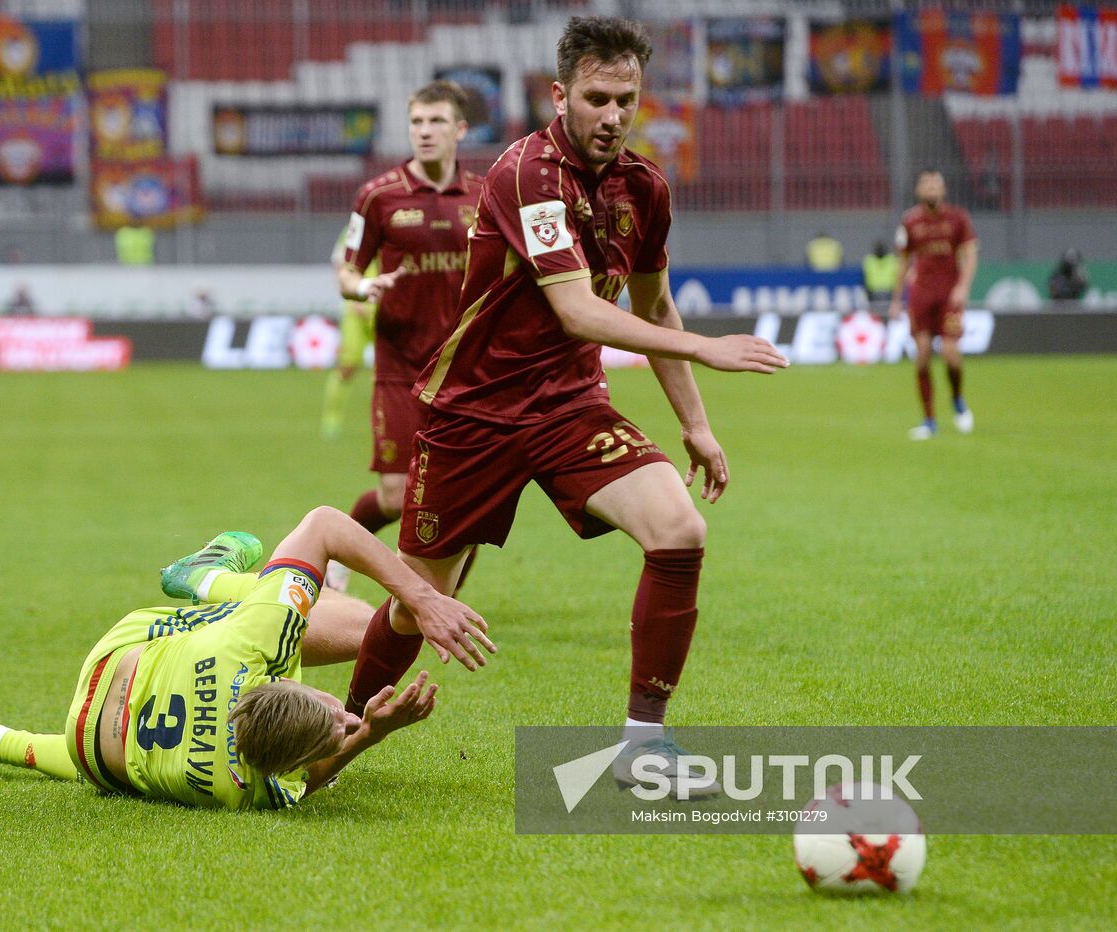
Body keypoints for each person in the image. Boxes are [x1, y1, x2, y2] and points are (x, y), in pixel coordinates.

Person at [344, 16, 787, 795]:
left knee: (680, 528)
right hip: (474, 416)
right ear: (560, 95)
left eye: (627, 100)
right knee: (418, 606)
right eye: (597, 98)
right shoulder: (525, 174)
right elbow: (579, 312)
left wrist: (697, 424)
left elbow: (654, 309)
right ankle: (340, 730)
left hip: (570, 410)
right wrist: (711, 349)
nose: (613, 116)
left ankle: (643, 746)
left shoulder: (645, 188)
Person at [0, 515, 484, 810]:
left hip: (115, 656)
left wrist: (421, 598)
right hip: (88, 750)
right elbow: (314, 778)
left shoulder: (253, 646)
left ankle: (203, 578)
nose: (344, 714)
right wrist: (369, 733)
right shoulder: (242, 789)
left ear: (283, 678)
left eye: (333, 717)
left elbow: (324, 524)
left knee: (315, 611)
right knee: (362, 624)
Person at [334, 81, 485, 579]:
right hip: (401, 367)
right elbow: (347, 270)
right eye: (417, 122)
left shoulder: (486, 196)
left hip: (466, 373)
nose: (425, 131)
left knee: (464, 494)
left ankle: (444, 601)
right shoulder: (378, 196)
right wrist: (362, 289)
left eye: (437, 121)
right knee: (396, 495)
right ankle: (336, 557)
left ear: (460, 129)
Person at [888, 168, 978, 440]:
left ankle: (958, 399)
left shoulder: (958, 218)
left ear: (943, 189)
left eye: (935, 183)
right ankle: (929, 420)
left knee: (950, 354)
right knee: (923, 356)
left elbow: (970, 255)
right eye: (926, 183)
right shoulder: (910, 221)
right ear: (918, 190)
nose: (931, 188)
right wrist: (895, 300)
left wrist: (962, 287)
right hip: (921, 296)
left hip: (949, 296)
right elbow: (903, 262)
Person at [321, 224, 378, 440]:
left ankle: (387, 419)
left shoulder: (398, 220)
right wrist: (354, 293)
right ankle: (331, 418)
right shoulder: (352, 230)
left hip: (386, 306)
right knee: (348, 365)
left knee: (392, 369)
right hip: (356, 306)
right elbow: (339, 265)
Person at [862, 240, 897, 306]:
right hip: (873, 294)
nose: (880, 251)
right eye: (878, 249)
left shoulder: (892, 259)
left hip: (889, 293)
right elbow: (864, 279)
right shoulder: (869, 260)